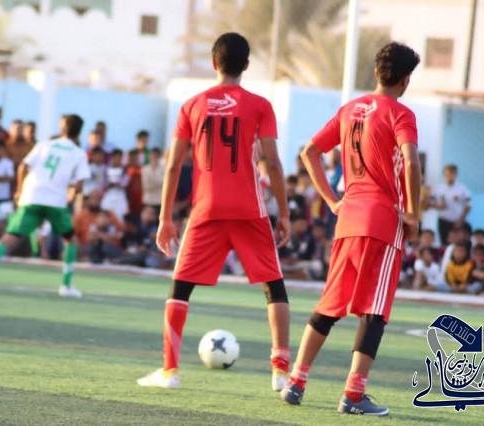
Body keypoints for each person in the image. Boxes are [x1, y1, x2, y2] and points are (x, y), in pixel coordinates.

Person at [137, 33, 291, 392]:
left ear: (213, 62)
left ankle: (169, 372)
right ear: (246, 65)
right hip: (250, 209)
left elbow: (173, 165)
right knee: (274, 285)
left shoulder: (192, 105)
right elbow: (272, 163)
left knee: (180, 288)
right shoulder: (260, 105)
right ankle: (281, 372)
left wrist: (165, 218)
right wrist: (283, 213)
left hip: (206, 209)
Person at [281, 42, 421, 417]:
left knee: (330, 304)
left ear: (376, 72)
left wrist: (331, 200)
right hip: (381, 221)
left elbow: (309, 151)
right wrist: (413, 212)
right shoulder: (401, 114)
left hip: (347, 219)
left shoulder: (349, 110)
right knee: (374, 310)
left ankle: (296, 381)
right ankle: (354, 394)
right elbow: (410, 162)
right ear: (405, 80)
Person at [0, 115, 90, 298]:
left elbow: (23, 166)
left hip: (32, 195)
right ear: (79, 132)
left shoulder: (44, 144)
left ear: (62, 127)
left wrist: (18, 191)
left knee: (12, 234)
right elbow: (79, 186)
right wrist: (71, 194)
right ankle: (66, 285)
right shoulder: (78, 153)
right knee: (69, 239)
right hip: (55, 200)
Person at [432, 164, 471, 246]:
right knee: (444, 243)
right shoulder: (438, 188)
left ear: (456, 175)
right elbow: (430, 204)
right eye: (448, 174)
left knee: (459, 244)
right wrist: (438, 206)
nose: (450, 176)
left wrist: (461, 220)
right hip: (443, 220)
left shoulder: (462, 189)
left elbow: (468, 206)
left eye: (452, 174)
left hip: (457, 221)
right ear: (444, 175)